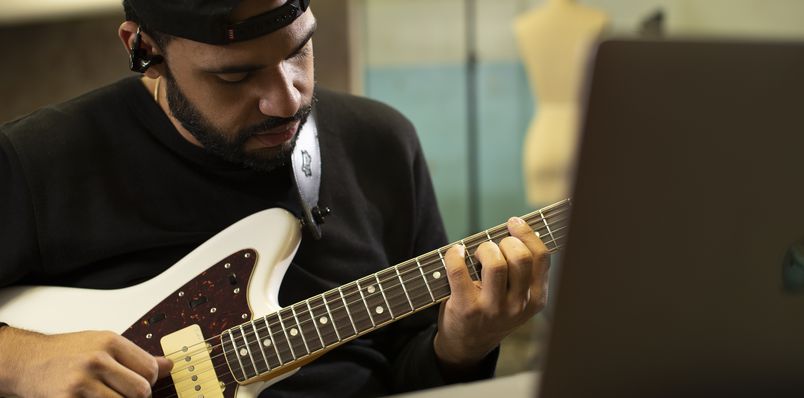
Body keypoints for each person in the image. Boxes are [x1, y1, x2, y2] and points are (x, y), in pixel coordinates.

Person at [0, 0, 551, 396]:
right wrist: (21, 361)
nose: (286, 99)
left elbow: (409, 372)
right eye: (236, 77)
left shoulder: (381, 142)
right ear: (143, 47)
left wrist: (461, 345)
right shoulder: (34, 161)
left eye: (299, 51)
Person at [514, 0, 608, 206]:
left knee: (548, 227)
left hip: (544, 136)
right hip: (583, 133)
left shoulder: (526, 24)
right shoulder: (597, 19)